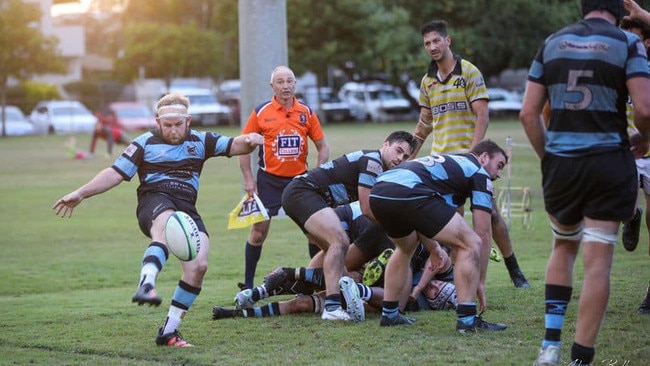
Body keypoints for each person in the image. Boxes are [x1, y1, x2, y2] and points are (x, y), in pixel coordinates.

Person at [52, 93, 264, 347]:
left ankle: (169, 332)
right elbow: (115, 173)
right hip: (154, 200)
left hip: (186, 207)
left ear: (188, 120)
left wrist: (250, 140)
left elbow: (235, 145)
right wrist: (81, 193)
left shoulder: (201, 140)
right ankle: (146, 283)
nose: (173, 130)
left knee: (199, 266)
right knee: (165, 225)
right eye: (167, 125)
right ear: (157, 122)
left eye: (178, 124)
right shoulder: (143, 143)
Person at [519, 1, 650, 364]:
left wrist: (551, 160)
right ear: (618, 11)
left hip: (563, 166)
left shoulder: (552, 42)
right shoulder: (627, 42)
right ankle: (581, 356)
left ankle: (549, 347)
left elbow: (528, 114)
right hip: (608, 161)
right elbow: (645, 109)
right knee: (598, 261)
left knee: (562, 247)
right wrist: (645, 138)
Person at [411, 19, 530, 288]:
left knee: (492, 218)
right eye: (427, 43)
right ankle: (452, 279)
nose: (432, 47)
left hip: (471, 160)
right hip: (441, 163)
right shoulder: (427, 81)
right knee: (447, 220)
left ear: (448, 40)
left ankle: (514, 269)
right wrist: (407, 157)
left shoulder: (469, 72)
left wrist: (473, 158)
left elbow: (483, 116)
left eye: (436, 41)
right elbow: (424, 125)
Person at [370, 139, 508, 331]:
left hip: (379, 190)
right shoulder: (479, 172)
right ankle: (467, 321)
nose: (498, 174)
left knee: (405, 247)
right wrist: (480, 282)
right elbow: (483, 233)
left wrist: (433, 247)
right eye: (499, 165)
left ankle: (390, 314)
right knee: (471, 243)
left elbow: (423, 216)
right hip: (407, 190)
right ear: (484, 157)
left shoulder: (452, 165)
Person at [280, 131, 417, 321]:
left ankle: (302, 292)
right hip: (304, 192)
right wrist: (395, 229)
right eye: (398, 150)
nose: (400, 158)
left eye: (405, 156)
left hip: (301, 194)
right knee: (340, 241)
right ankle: (332, 306)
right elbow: (367, 208)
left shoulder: (379, 167)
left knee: (333, 252)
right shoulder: (373, 162)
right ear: (385, 144)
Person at [238, 65, 330, 290]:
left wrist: (318, 175)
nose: (286, 86)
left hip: (299, 182)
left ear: (295, 84)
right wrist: (249, 179)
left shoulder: (306, 112)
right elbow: (243, 146)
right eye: (280, 82)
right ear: (273, 86)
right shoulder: (261, 112)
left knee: (314, 234)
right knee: (258, 233)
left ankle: (315, 281)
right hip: (268, 181)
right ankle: (248, 284)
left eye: (289, 81)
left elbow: (322, 146)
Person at [621, 0, 650, 315]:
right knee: (620, 206)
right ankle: (631, 216)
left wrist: (643, 15)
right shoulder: (618, 66)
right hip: (626, 152)